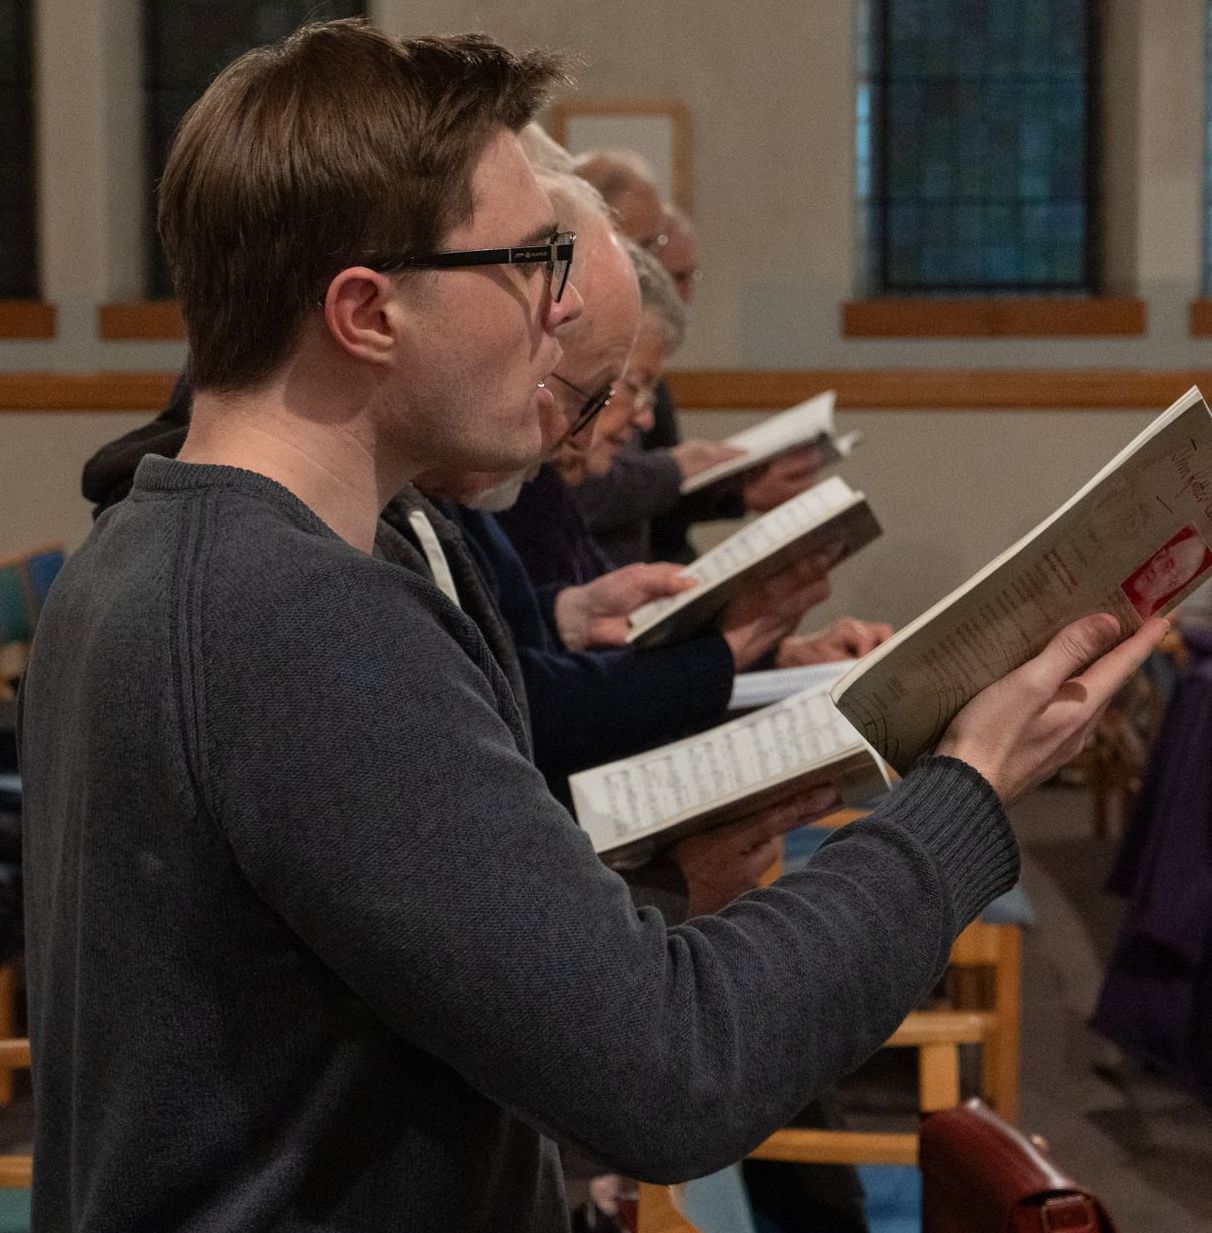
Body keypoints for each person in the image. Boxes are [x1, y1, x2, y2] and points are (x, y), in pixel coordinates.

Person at [22, 20, 1167, 1233]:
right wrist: (968, 792)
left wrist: (658, 902)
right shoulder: (297, 618)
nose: (563, 307)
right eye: (534, 264)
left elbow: (338, 998)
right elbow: (676, 1077)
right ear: (368, 312)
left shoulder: (149, 551)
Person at [571, 150, 823, 566]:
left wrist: (731, 492)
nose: (655, 260)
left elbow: (644, 507)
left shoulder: (639, 357)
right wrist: (679, 468)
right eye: (648, 244)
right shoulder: (573, 354)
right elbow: (579, 492)